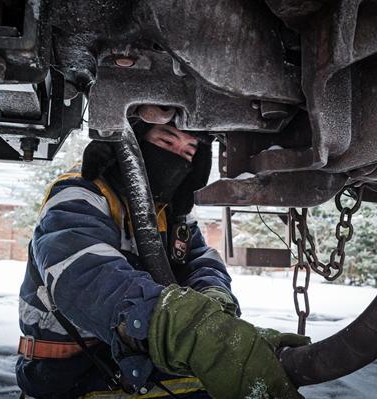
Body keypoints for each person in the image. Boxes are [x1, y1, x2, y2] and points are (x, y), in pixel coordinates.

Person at [16, 116, 309, 398]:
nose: (177, 157)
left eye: (188, 150)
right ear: (135, 143)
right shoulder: (80, 193)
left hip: (137, 367)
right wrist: (186, 328)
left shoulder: (169, 213)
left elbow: (200, 260)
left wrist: (214, 299)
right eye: (167, 141)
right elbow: (85, 275)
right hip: (70, 372)